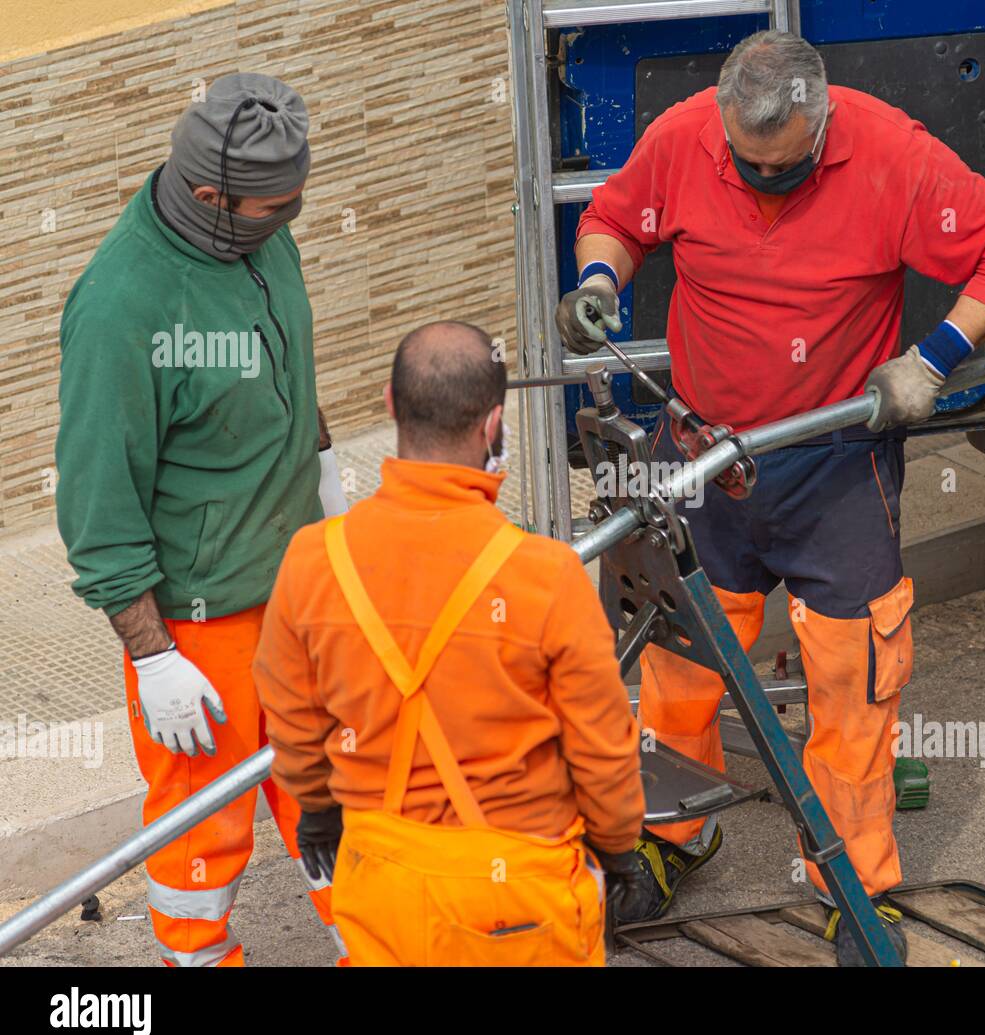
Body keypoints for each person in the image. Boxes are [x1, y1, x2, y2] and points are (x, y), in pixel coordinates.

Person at [556, 30, 985, 964]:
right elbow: (617, 220)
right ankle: (670, 840)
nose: (757, 182)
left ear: (822, 126)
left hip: (833, 462)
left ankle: (852, 885)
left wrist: (931, 360)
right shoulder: (686, 137)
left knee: (851, 679)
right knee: (683, 659)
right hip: (701, 454)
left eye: (780, 169)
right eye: (746, 164)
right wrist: (596, 278)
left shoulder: (892, 153)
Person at [56, 72, 348, 967]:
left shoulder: (260, 232)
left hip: (301, 588)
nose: (287, 222)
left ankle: (378, 944)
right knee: (202, 829)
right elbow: (97, 507)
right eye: (273, 208)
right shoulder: (120, 307)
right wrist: (154, 657)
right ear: (210, 196)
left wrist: (329, 484)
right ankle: (198, 959)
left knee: (339, 790)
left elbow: (288, 372)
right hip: (200, 623)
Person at [252, 322, 655, 966]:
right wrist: (617, 848)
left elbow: (292, 719)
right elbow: (601, 745)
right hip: (517, 897)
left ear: (389, 403)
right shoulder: (544, 575)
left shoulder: (313, 560)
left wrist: (320, 810)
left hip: (381, 878)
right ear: (495, 426)